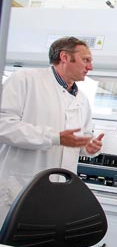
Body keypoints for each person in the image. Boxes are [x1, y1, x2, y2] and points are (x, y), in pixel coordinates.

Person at [0, 36, 104, 224]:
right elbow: (4, 125)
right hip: (19, 187)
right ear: (65, 57)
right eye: (86, 60)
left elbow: (82, 137)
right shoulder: (25, 80)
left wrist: (89, 146)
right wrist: (53, 137)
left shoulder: (82, 99)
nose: (90, 67)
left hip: (59, 192)